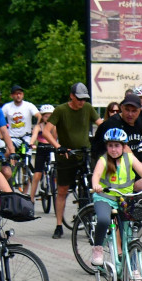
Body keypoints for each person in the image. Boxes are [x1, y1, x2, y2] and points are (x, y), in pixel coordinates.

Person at [88, 128, 142, 273]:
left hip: (125, 200)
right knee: (103, 220)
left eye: (117, 145)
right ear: (106, 146)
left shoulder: (130, 158)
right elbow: (95, 175)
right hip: (105, 197)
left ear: (123, 146)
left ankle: (134, 272)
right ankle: (98, 249)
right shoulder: (103, 160)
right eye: (110, 145)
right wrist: (96, 185)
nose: (113, 149)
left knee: (130, 237)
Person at [43, 83, 102, 239]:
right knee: (62, 190)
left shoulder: (88, 108)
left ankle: (92, 218)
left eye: (84, 99)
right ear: (71, 96)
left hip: (84, 154)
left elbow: (100, 125)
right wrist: (58, 146)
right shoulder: (61, 110)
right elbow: (46, 131)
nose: (81, 102)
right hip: (67, 156)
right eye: (79, 99)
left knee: (92, 187)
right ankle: (58, 225)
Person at [1, 85, 39, 184]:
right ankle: (4, 168)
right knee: (9, 151)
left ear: (23, 95)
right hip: (13, 137)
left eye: (20, 93)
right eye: (16, 93)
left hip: (26, 136)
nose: (18, 96)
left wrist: (38, 125)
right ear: (11, 95)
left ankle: (25, 189)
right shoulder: (7, 107)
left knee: (26, 161)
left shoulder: (29, 105)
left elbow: (39, 115)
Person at [27, 104, 55, 203]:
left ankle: (54, 187)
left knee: (56, 170)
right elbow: (34, 135)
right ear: (42, 117)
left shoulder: (55, 126)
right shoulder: (39, 126)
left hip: (52, 149)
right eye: (46, 116)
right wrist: (31, 143)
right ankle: (31, 198)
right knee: (37, 174)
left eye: (51, 116)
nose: (48, 118)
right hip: (41, 149)